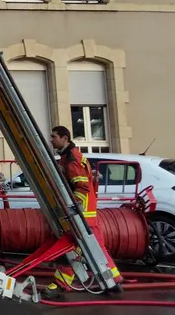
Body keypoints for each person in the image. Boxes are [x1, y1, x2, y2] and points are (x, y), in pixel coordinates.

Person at [45, 125, 123, 296]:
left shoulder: (71, 159)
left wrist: (72, 209)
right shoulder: (69, 156)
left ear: (65, 138)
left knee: (71, 248)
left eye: (54, 137)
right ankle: (113, 281)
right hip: (88, 212)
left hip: (82, 214)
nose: (51, 140)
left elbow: (82, 187)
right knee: (97, 247)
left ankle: (60, 284)